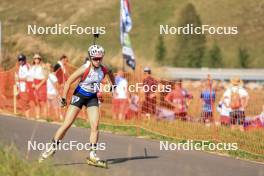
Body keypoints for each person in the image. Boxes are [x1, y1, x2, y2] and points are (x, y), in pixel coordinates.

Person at [39, 45, 115, 167]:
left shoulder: (103, 69)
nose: (98, 61)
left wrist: (113, 85)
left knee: (95, 125)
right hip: (79, 96)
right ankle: (51, 148)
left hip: (92, 98)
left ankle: (92, 154)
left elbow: (111, 74)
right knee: (67, 124)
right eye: (95, 58)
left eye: (100, 58)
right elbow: (69, 81)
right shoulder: (85, 68)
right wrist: (64, 98)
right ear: (90, 58)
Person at [31, 54, 48, 119]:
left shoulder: (43, 67)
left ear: (40, 59)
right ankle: (37, 115)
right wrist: (32, 83)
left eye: (38, 58)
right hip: (34, 84)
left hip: (41, 84)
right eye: (35, 58)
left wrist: (39, 85)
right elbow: (31, 76)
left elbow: (46, 77)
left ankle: (45, 117)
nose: (36, 59)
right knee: (36, 100)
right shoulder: (32, 67)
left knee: (43, 101)